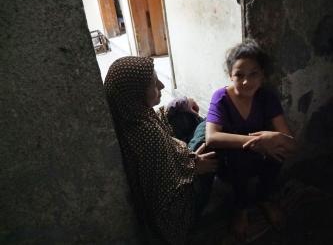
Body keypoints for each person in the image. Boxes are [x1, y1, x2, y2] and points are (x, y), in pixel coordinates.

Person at [104, 56, 218, 245]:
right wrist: (196, 164)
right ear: (135, 94)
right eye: (153, 84)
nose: (162, 85)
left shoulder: (129, 115)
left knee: (184, 115)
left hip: (171, 166)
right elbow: (173, 181)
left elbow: (158, 118)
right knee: (209, 126)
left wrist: (179, 103)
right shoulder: (147, 133)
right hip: (179, 211)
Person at [205, 39, 297, 241]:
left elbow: (291, 144)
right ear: (230, 75)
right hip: (230, 163)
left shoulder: (267, 97)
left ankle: (264, 198)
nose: (246, 81)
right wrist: (256, 143)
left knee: (278, 150)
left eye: (253, 74)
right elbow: (211, 137)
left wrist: (275, 138)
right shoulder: (221, 98)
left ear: (262, 75)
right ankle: (241, 208)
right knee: (240, 158)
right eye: (239, 75)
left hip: (260, 157)